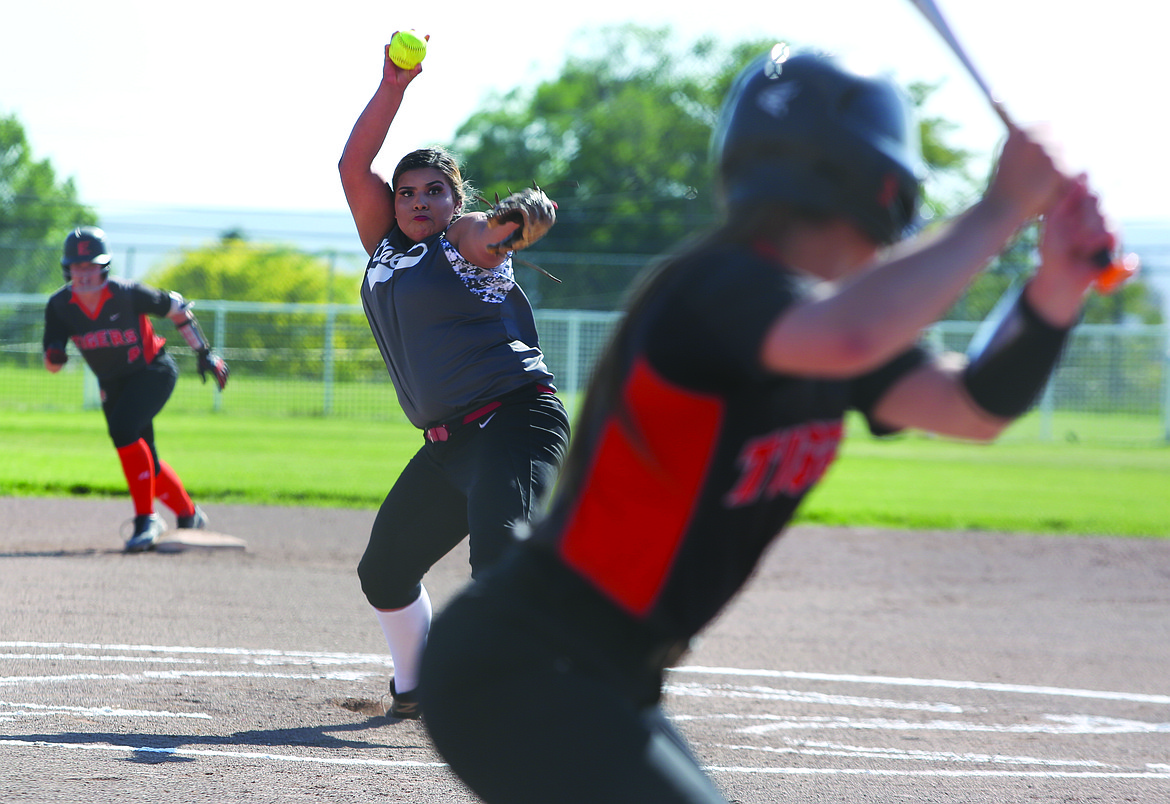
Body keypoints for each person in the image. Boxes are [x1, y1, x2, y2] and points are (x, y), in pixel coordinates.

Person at [417, 47, 1119, 803]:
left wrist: (1058, 284)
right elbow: (846, 334)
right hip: (523, 666)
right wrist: (999, 209)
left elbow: (972, 408)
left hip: (603, 676)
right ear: (885, 186)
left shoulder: (825, 317)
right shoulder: (721, 287)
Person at [337, 38, 570, 719]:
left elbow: (492, 230)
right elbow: (354, 164)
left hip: (515, 420)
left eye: (433, 190)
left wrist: (520, 219)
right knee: (383, 572)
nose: (417, 200)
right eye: (405, 191)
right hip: (449, 443)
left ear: (453, 200)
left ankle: (534, 690)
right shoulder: (385, 246)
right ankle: (414, 689)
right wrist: (393, 86)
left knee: (500, 554)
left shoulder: (461, 240)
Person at [43, 226, 230, 553]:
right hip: (112, 383)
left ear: (104, 268)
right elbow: (52, 364)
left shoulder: (127, 293)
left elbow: (176, 307)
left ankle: (147, 519)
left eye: (91, 266)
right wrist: (55, 355)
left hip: (152, 371)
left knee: (123, 430)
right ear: (67, 269)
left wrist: (205, 353)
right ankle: (189, 516)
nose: (84, 274)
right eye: (77, 267)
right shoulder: (60, 306)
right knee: (145, 459)